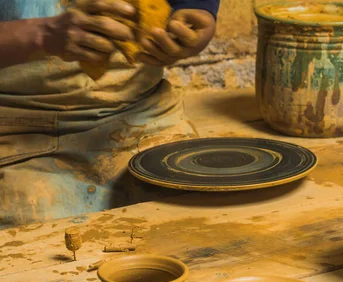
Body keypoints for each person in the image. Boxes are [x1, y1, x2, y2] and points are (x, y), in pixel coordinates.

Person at [0, 0, 219, 228]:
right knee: (39, 243)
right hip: (19, 124)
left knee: (197, 224)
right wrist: (41, 34)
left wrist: (198, 12)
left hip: (142, 113)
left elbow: (193, 10)